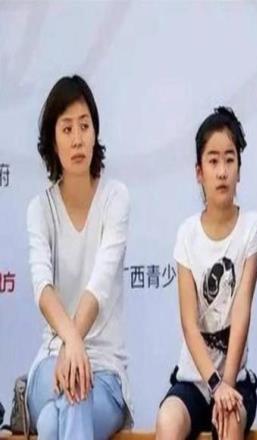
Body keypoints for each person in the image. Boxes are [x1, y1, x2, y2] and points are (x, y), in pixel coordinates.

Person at [26, 75, 132, 440]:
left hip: (106, 374)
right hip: (49, 366)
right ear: (52, 140)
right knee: (72, 387)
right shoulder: (40, 209)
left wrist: (75, 345)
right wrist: (71, 342)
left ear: (95, 132)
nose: (77, 139)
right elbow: (42, 287)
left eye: (85, 126)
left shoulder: (115, 198)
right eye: (67, 128)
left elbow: (99, 284)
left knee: (53, 423)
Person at [156, 107, 257, 440]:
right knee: (167, 421)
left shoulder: (252, 228)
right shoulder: (187, 234)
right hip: (193, 381)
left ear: (239, 169)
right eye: (213, 161)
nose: (222, 171)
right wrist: (214, 385)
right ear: (199, 172)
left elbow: (241, 311)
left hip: (235, 381)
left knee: (229, 420)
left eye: (230, 160)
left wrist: (226, 386)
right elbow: (189, 323)